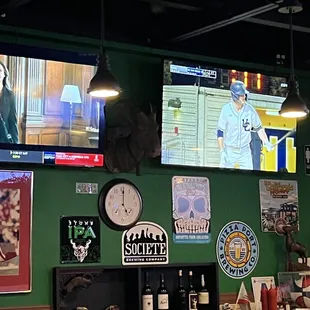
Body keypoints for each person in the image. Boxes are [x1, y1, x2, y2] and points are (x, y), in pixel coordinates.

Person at [217, 80, 273, 170]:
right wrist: (222, 151)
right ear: (235, 96)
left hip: (244, 150)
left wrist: (266, 142)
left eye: (244, 94)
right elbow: (220, 132)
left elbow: (259, 128)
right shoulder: (226, 110)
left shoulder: (250, 110)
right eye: (241, 95)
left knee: (248, 176)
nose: (244, 97)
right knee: (223, 173)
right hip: (229, 150)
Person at [0, 60, 18, 144]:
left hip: (4, 139)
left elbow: (13, 121)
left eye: (0, 71)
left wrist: (16, 143)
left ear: (4, 74)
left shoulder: (10, 95)